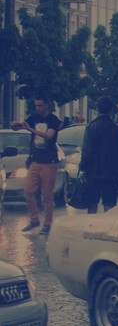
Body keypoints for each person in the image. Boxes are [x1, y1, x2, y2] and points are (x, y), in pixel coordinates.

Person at [11, 96, 61, 234]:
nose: (37, 108)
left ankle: (47, 224)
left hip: (49, 162)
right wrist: (15, 125)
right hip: (35, 161)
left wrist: (31, 129)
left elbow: (49, 136)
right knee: (28, 190)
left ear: (46, 105)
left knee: (47, 195)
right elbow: (19, 127)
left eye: (40, 105)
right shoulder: (33, 118)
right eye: (36, 105)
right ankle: (34, 219)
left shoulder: (53, 119)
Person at [80, 96, 118, 214]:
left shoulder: (91, 127)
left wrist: (83, 167)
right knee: (109, 204)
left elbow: (87, 151)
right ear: (111, 110)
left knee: (92, 203)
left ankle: (91, 223)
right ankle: (107, 224)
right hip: (112, 173)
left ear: (97, 109)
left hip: (93, 172)